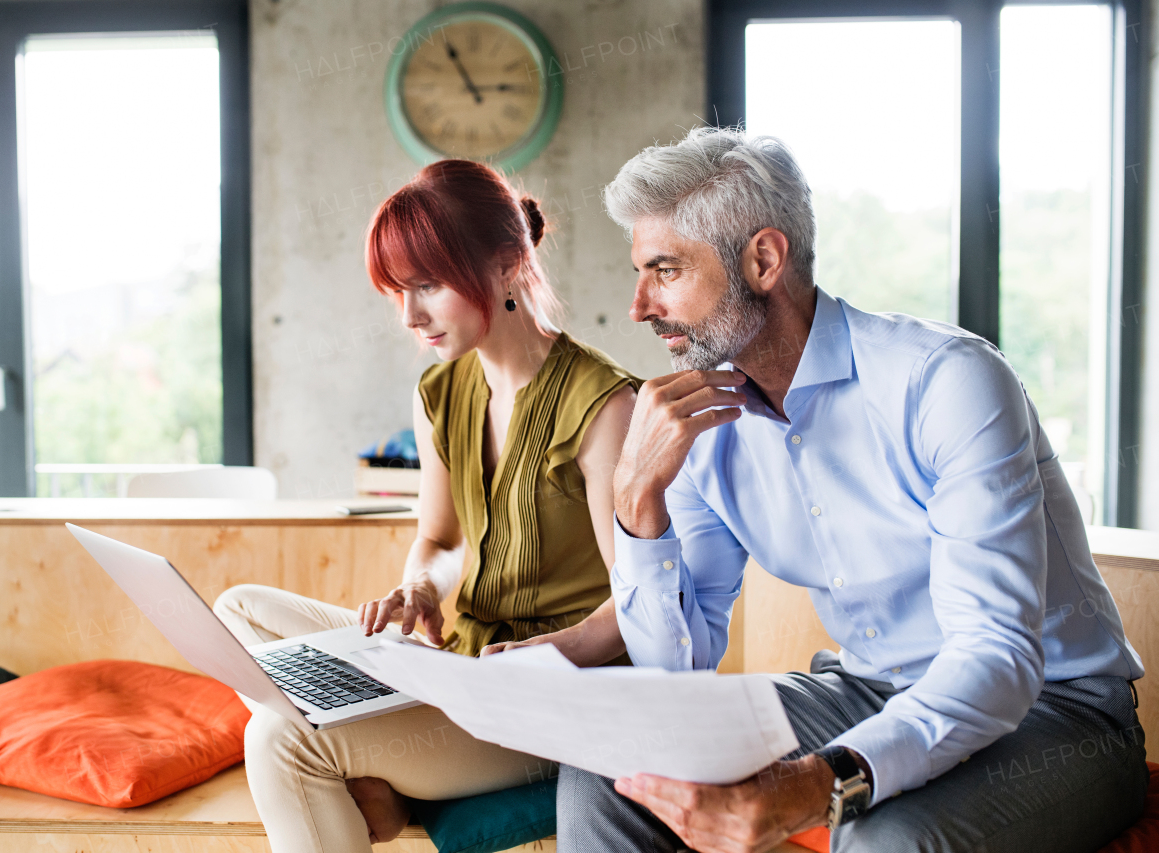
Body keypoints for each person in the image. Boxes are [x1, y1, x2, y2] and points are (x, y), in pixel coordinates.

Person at [538, 128, 1147, 852]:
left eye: (665, 270)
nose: (638, 305)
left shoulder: (943, 382)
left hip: (1059, 713)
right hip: (867, 687)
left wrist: (817, 778)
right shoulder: (696, 429)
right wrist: (638, 504)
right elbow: (678, 668)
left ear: (764, 259)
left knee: (883, 836)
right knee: (603, 774)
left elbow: (996, 655)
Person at [212, 158, 639, 853]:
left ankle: (383, 777)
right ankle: (382, 758)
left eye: (428, 286)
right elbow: (440, 540)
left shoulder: (605, 405)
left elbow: (637, 604)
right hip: (457, 662)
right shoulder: (440, 393)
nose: (410, 316)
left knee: (280, 734)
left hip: (553, 699)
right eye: (398, 292)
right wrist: (418, 590)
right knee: (237, 611)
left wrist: (538, 654)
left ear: (506, 265)